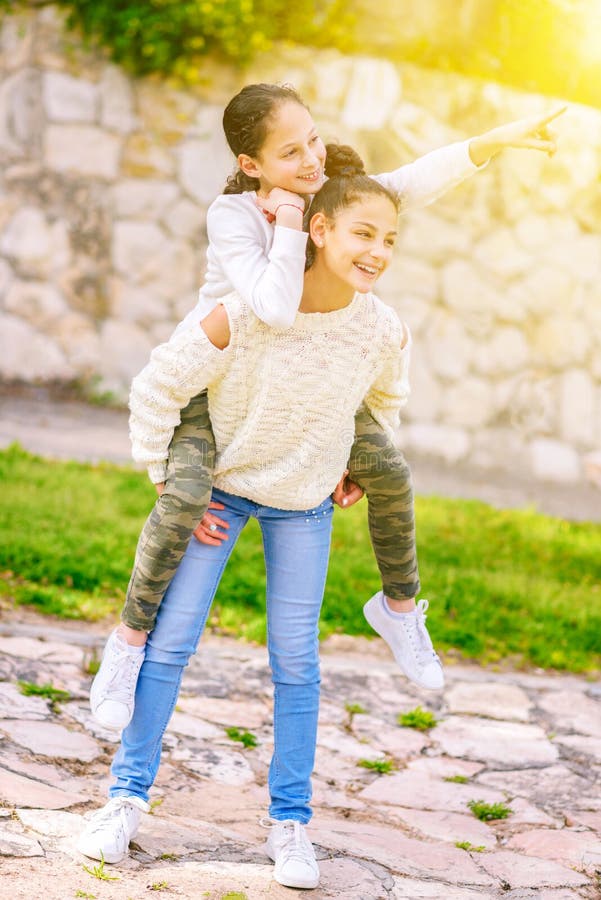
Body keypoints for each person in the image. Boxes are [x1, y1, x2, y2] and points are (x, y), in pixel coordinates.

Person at [89, 82, 563, 732]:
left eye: (312, 138)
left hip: (312, 372)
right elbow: (274, 306)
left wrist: (490, 143)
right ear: (251, 165)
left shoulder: (323, 191)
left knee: (390, 471)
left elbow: (406, 183)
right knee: (180, 502)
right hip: (225, 376)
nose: (311, 159)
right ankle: (127, 645)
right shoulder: (234, 215)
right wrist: (287, 221)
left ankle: (397, 611)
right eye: (290, 152)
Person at [79, 153, 412, 888]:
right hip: (221, 492)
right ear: (315, 229)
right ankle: (123, 801)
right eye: (363, 234)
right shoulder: (252, 309)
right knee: (169, 645)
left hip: (302, 503)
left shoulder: (378, 328)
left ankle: (290, 825)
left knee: (298, 664)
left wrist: (353, 461)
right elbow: (159, 383)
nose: (378, 254)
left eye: (390, 240)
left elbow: (384, 400)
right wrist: (169, 480)